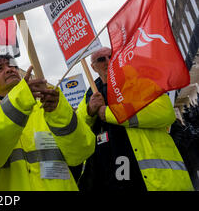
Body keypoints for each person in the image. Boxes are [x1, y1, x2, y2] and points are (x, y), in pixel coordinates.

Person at [76, 47, 194, 191]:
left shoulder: (140, 81)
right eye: (101, 59)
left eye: (111, 56)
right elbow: (79, 125)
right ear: (93, 68)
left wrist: (109, 113)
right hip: (113, 178)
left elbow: (165, 112)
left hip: (155, 180)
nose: (108, 61)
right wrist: (89, 110)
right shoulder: (91, 94)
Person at [0, 53, 96, 190]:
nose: (9, 69)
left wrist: (60, 112)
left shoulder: (47, 108)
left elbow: (81, 152)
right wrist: (20, 100)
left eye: (12, 66)